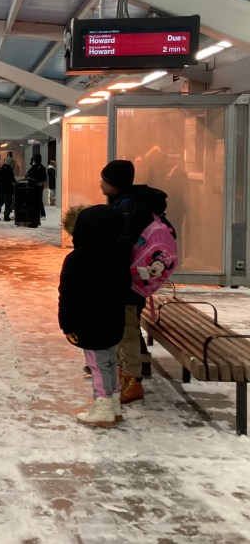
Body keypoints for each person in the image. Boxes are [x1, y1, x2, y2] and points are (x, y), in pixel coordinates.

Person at [100, 159, 170, 404]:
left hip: (126, 278)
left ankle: (132, 381)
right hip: (131, 276)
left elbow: (122, 242)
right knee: (125, 326)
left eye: (105, 180)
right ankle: (127, 373)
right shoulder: (132, 201)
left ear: (115, 183)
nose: (101, 183)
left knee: (126, 329)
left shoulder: (129, 206)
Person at [58, 205, 129, 427]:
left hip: (89, 322)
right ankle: (114, 403)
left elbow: (68, 294)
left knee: (97, 365)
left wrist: (67, 324)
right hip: (114, 320)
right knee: (109, 361)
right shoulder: (118, 255)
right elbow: (125, 287)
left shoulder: (77, 259)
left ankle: (103, 407)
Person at [0, 156, 16, 222]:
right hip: (7, 190)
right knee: (8, 204)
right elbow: (12, 180)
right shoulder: (9, 170)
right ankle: (6, 217)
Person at [26, 154, 47, 218]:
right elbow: (27, 174)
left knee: (38, 199)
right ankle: (37, 213)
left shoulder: (41, 168)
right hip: (33, 185)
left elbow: (43, 177)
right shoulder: (34, 167)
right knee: (36, 199)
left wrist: (37, 180)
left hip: (38, 185)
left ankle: (42, 213)